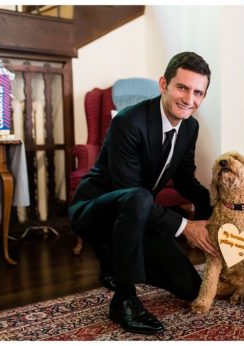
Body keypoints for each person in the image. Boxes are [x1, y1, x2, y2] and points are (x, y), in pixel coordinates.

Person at [68, 52, 220, 335]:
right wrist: (185, 227)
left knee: (191, 289)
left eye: (198, 92)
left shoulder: (190, 126)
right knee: (139, 197)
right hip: (95, 209)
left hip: (136, 215)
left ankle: (114, 258)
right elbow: (129, 191)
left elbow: (185, 180)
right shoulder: (129, 121)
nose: (189, 99)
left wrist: (219, 208)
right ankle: (124, 299)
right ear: (164, 84)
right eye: (182, 87)